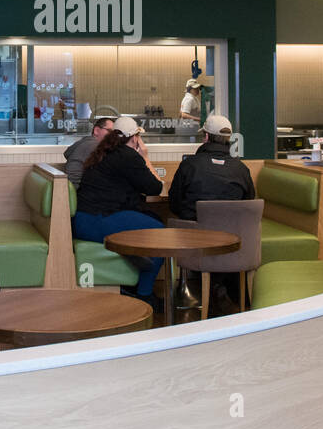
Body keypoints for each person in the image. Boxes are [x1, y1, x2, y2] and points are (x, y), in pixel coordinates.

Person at [72, 116, 164, 307]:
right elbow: (155, 188)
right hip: (98, 220)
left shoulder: (103, 152)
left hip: (83, 219)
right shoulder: (128, 156)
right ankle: (144, 295)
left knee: (149, 220)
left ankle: (135, 282)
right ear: (134, 138)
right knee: (159, 233)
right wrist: (144, 156)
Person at [168, 115, 254, 221]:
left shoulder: (189, 165)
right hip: (230, 234)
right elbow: (248, 203)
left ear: (207, 136)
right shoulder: (241, 169)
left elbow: (174, 204)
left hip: (193, 233)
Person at [63, 113, 115, 186]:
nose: (113, 135)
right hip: (78, 188)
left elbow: (67, 153)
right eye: (110, 131)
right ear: (96, 130)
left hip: (68, 186)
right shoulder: (94, 146)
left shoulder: (85, 142)